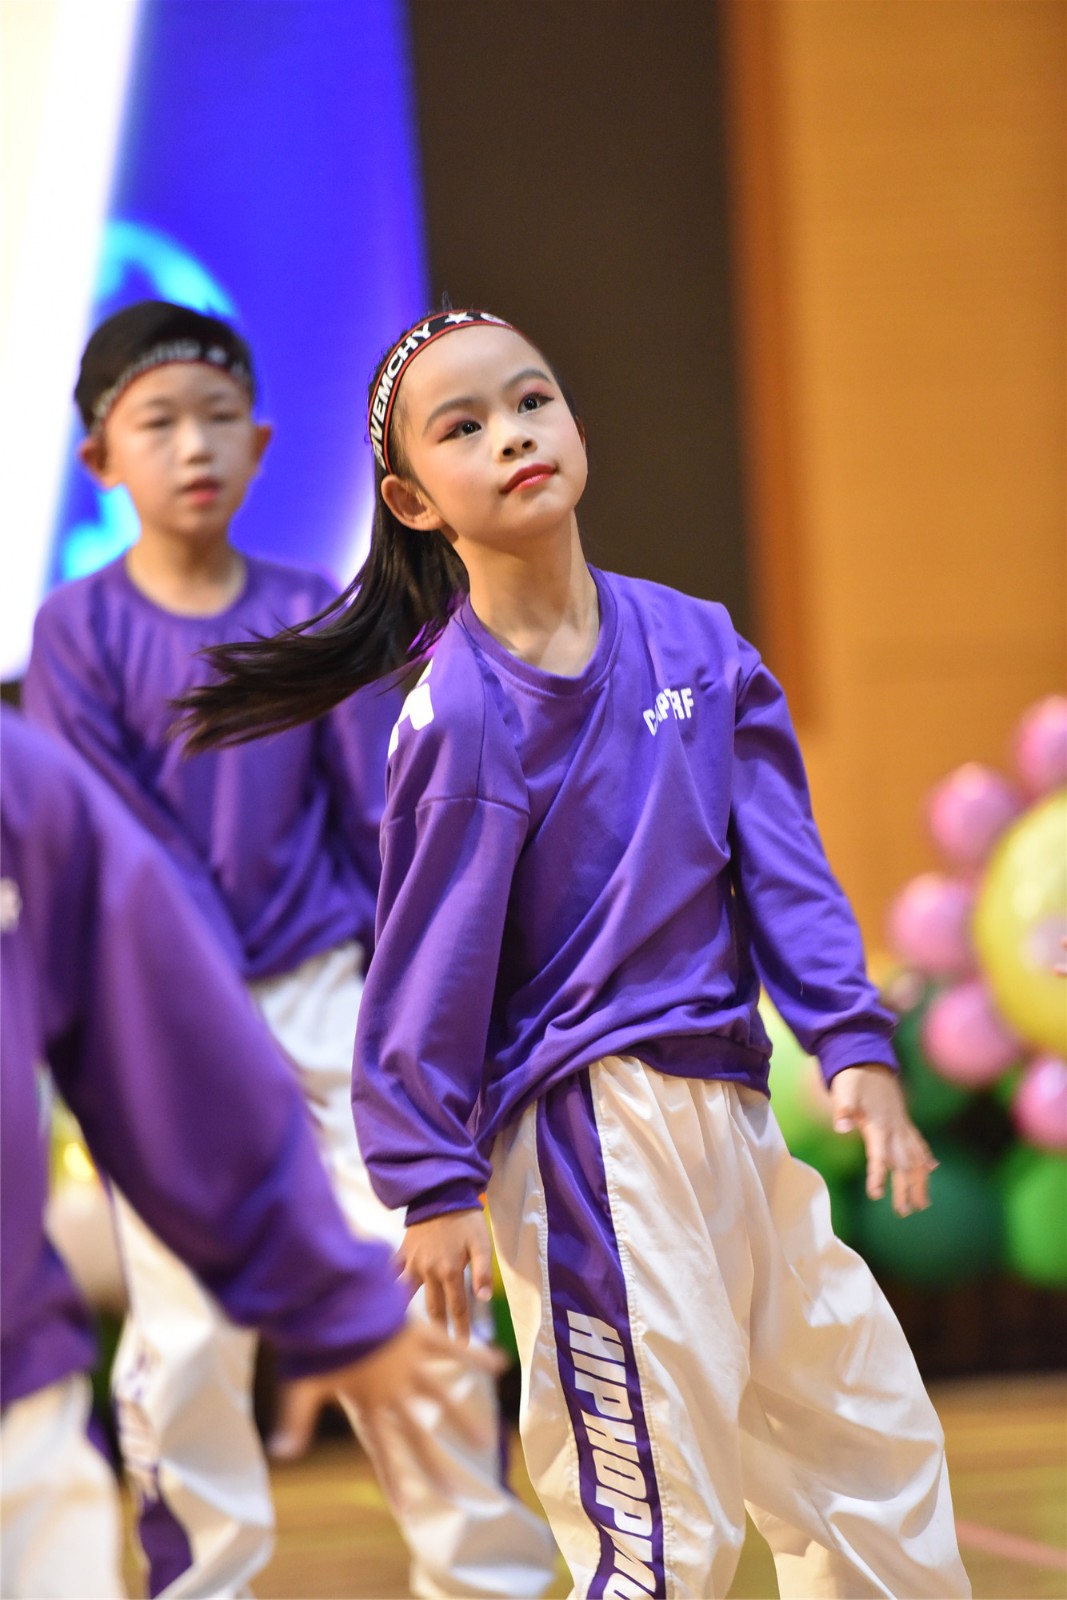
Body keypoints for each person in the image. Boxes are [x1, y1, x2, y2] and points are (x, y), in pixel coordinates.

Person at [178, 308, 972, 1600]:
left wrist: (850, 1044)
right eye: (463, 426)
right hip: (585, 1141)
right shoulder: (460, 714)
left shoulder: (698, 645)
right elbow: (426, 968)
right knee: (658, 1520)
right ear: (412, 500)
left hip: (732, 1107)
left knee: (864, 1447)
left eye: (530, 400)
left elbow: (783, 871)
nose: (511, 435)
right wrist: (431, 1180)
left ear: (573, 424)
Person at [23, 301, 557, 1600]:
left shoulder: (310, 611)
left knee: (412, 1270)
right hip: (166, 1027)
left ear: (260, 444)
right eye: (159, 422)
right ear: (100, 459)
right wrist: (198, 1014)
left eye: (219, 419)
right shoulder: (76, 634)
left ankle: (480, 1573)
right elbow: (112, 858)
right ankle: (202, 1580)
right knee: (185, 1328)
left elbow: (377, 820)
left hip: (326, 997)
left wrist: (415, 1000)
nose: (193, 446)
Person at [0, 708, 500, 1599]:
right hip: (228, 977)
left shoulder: (20, 787)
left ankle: (484, 1579)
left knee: (427, 1328)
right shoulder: (54, 723)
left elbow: (164, 1049)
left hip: (17, 1405)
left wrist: (329, 1301)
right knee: (183, 1344)